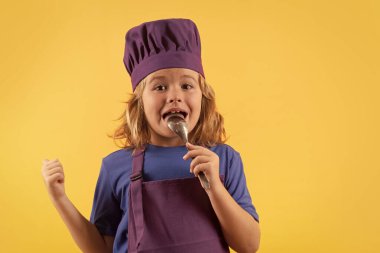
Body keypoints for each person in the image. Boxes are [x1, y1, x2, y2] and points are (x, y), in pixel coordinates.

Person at [41, 18, 260, 253]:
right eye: (160, 87)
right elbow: (102, 249)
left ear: (203, 98)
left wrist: (214, 186)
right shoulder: (115, 166)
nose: (174, 95)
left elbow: (248, 245)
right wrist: (59, 198)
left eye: (186, 86)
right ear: (140, 103)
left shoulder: (223, 159)